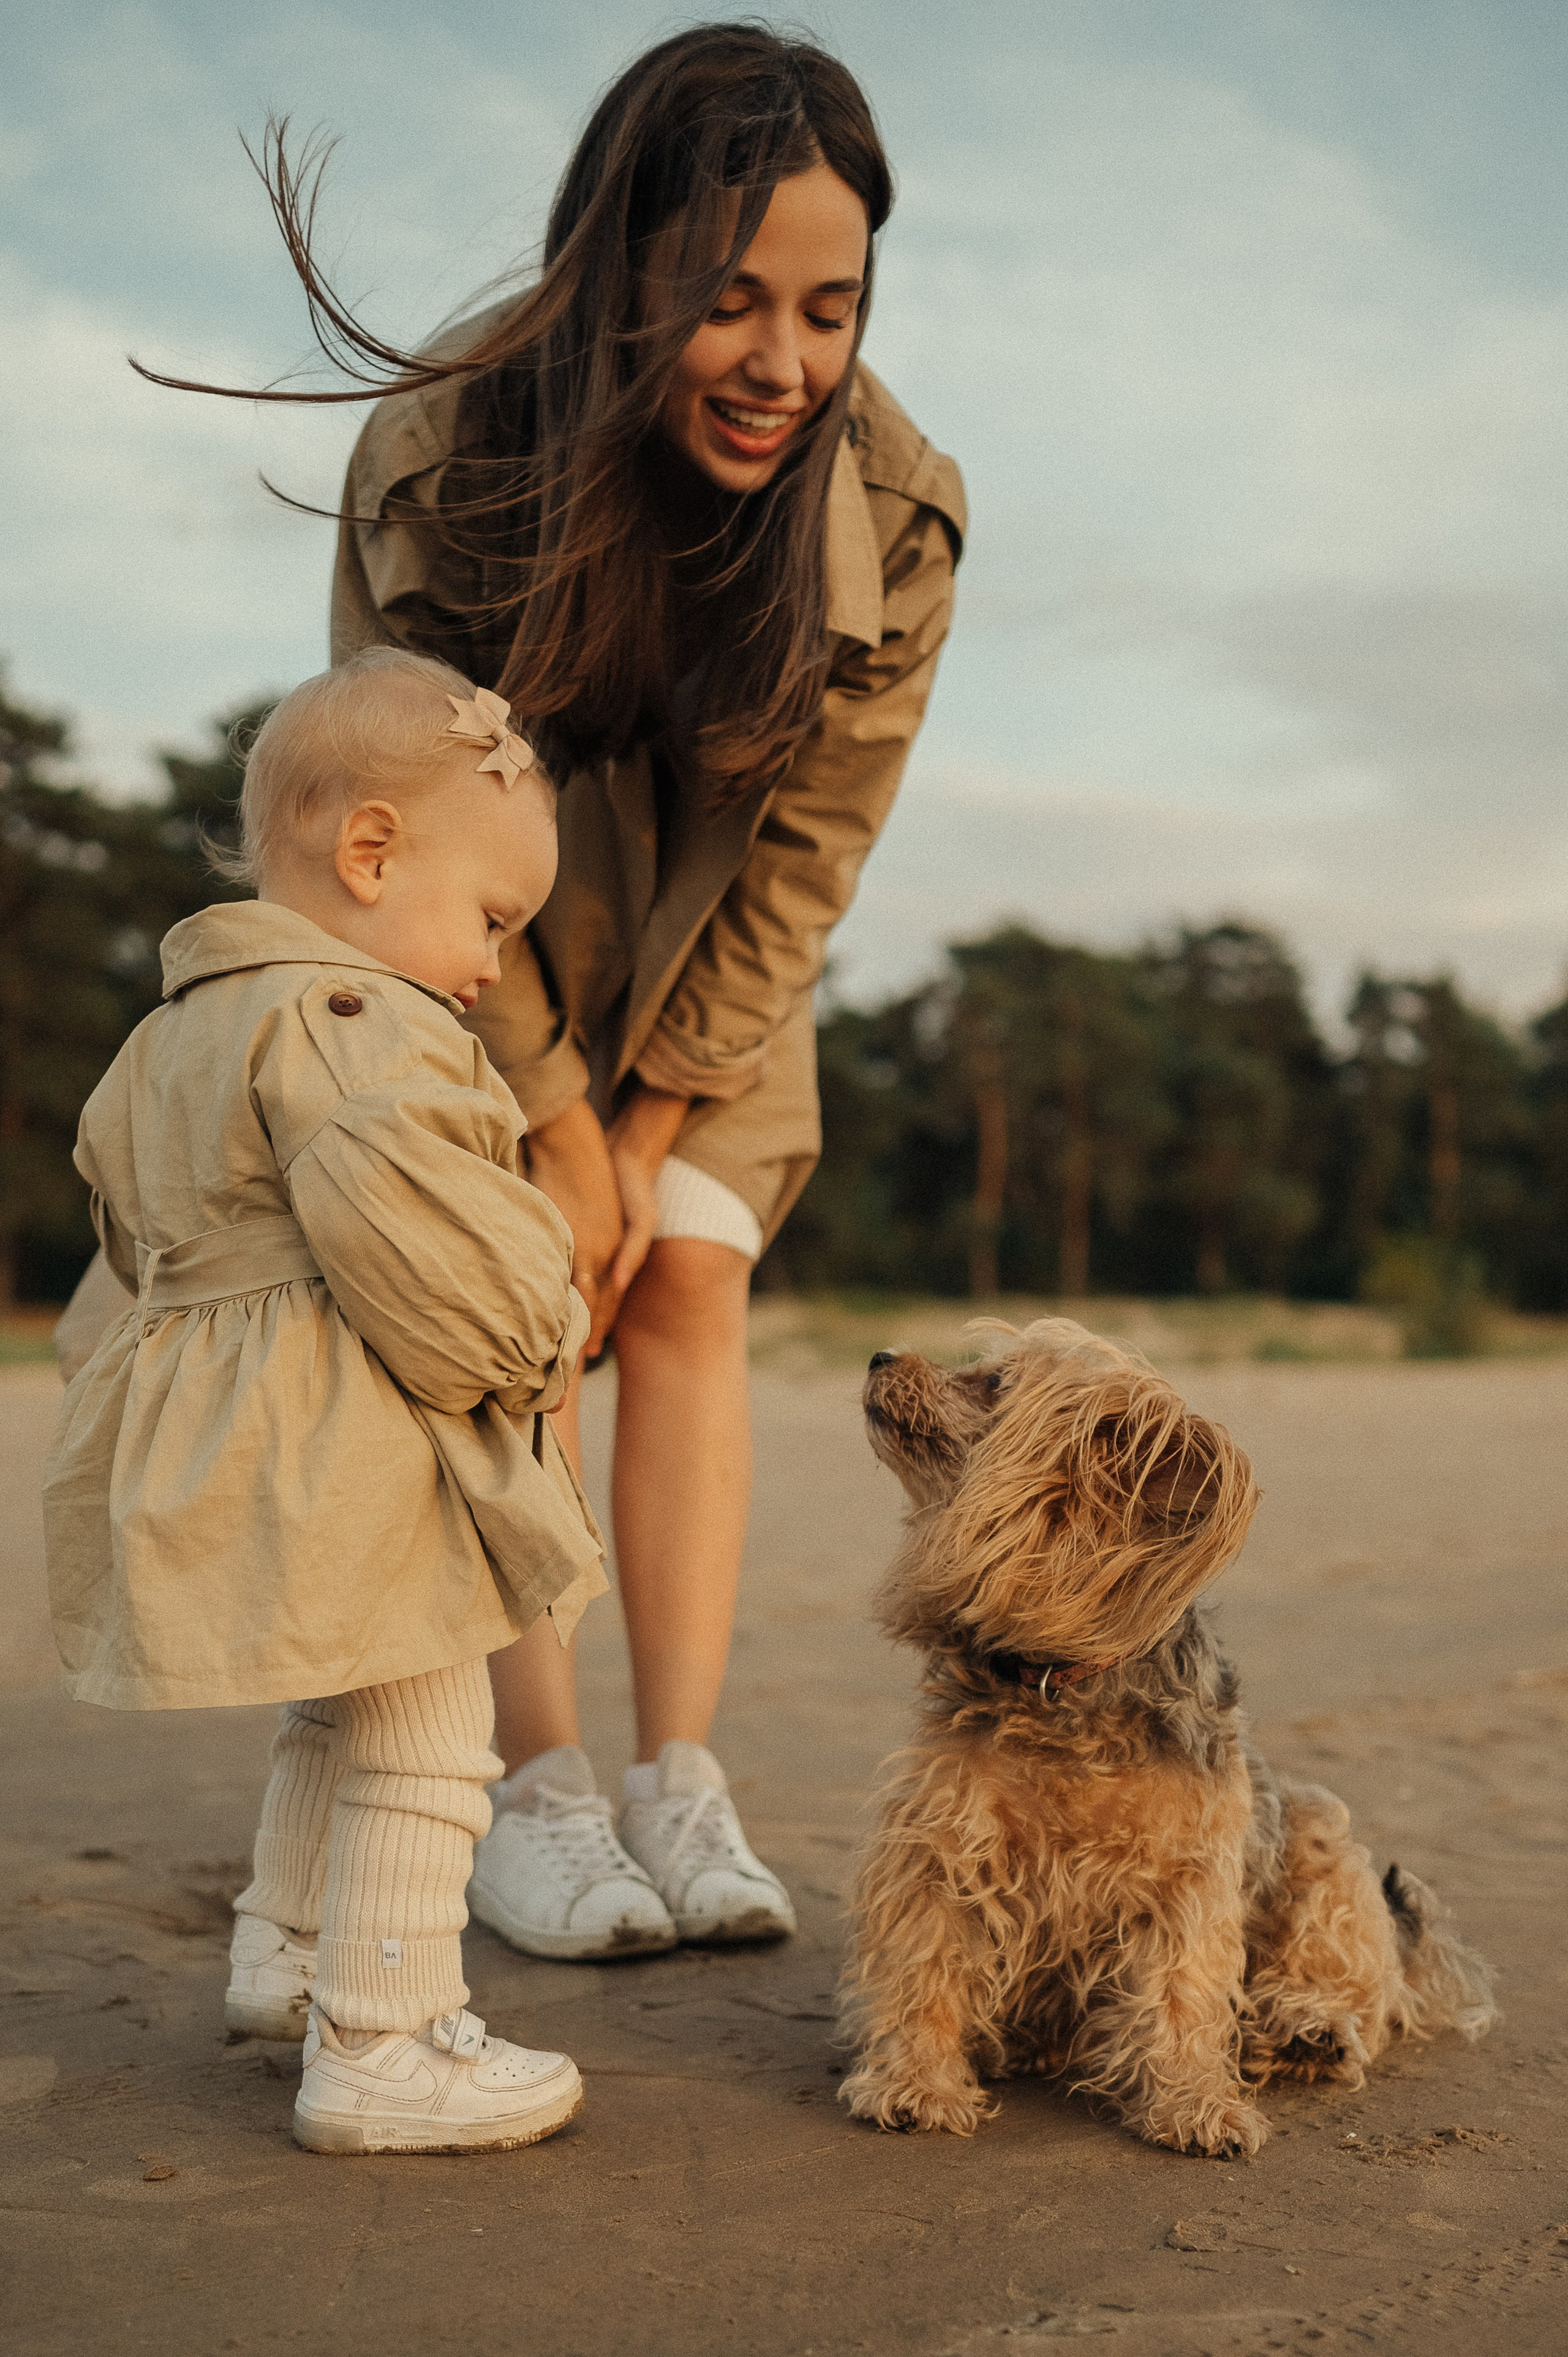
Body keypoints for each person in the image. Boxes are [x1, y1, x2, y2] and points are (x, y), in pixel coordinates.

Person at [131, 23, 967, 1958]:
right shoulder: (440, 451)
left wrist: (644, 1117)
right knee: (511, 1302)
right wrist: (548, 1116)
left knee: (680, 1267)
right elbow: (402, 805)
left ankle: (681, 1779)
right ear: (624, 274)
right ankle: (540, 1788)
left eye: (830, 310)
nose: (784, 362)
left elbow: (813, 856)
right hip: (473, 931)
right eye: (729, 301)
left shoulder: (902, 518)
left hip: (720, 956)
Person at [43, 649, 608, 2155]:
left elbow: (121, 1246)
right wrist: (533, 1336)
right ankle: (384, 2035)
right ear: (369, 852)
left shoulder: (165, 1034)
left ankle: (286, 1954)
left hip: (226, 1429)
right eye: (491, 921)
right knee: (431, 1713)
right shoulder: (358, 1017)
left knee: (339, 1696)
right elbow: (419, 1233)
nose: (492, 967)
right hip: (348, 1428)